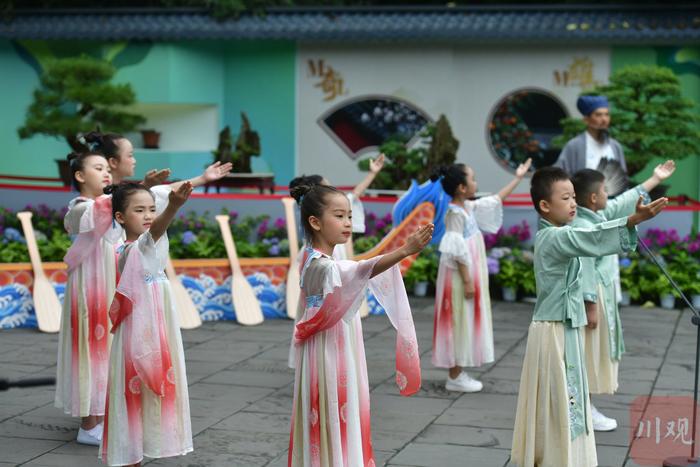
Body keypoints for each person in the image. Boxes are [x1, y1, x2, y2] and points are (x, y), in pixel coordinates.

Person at [510, 167, 667, 467]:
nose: (573, 204)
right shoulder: (554, 237)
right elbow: (591, 237)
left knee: (567, 399)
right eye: (566, 198)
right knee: (558, 401)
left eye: (573, 197)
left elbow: (592, 232)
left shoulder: (559, 234)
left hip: (563, 328)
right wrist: (634, 220)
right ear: (544, 205)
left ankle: (565, 458)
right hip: (553, 331)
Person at [288, 183, 432, 466]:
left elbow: (354, 270)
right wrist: (404, 250)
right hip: (329, 351)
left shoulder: (314, 256)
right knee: (334, 404)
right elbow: (361, 269)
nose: (347, 223)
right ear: (315, 222)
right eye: (339, 216)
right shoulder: (321, 264)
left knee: (339, 406)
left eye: (350, 216)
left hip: (332, 344)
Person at [570, 161, 676, 432]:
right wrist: (591, 306)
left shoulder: (598, 214)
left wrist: (654, 179)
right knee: (586, 354)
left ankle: (583, 406)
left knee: (591, 353)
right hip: (590, 302)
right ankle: (583, 409)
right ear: (594, 197)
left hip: (599, 297)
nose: (610, 195)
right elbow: (586, 269)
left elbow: (625, 201)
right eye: (605, 190)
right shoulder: (584, 223)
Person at [101, 181, 194, 466]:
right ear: (120, 217)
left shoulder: (145, 244)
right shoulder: (129, 249)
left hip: (158, 324)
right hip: (138, 329)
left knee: (150, 389)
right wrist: (175, 207)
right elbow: (155, 232)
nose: (148, 215)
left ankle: (139, 451)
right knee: (134, 385)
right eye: (139, 210)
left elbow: (168, 193)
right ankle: (128, 455)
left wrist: (202, 179)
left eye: (152, 209)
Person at [431, 158, 531, 392]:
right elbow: (455, 250)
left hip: (466, 274)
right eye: (473, 179)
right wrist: (467, 280)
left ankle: (458, 371)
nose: (476, 182)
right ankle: (454, 375)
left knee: (464, 318)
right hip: (459, 277)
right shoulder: (455, 213)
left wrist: (517, 177)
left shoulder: (467, 207)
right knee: (458, 319)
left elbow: (495, 199)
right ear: (462, 188)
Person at [287, 154, 385, 368]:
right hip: (324, 277)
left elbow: (354, 196)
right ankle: (316, 357)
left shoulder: (327, 233)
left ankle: (326, 355)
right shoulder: (314, 251)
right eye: (327, 187)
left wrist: (372, 173)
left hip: (333, 266)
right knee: (317, 307)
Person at [56, 150, 122, 445]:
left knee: (107, 348)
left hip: (107, 284)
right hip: (88, 290)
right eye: (98, 168)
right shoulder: (80, 206)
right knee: (88, 348)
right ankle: (88, 423)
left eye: (108, 168)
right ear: (80, 176)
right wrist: (126, 194)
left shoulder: (110, 206)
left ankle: (101, 416)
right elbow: (86, 216)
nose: (106, 172)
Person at [554, 95, 627, 176]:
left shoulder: (615, 146)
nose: (604, 119)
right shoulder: (574, 146)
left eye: (606, 114)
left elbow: (622, 178)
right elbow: (560, 176)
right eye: (598, 115)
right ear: (586, 120)